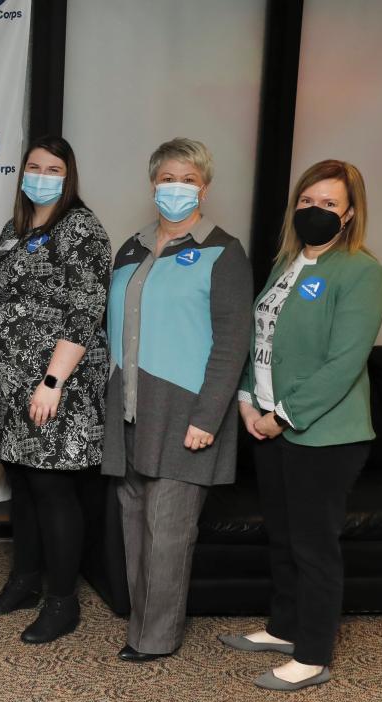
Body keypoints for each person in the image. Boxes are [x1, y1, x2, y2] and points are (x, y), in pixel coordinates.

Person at [220, 160, 382, 691]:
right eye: (308, 201)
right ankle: (285, 628)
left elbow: (345, 361)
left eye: (329, 204)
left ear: (351, 213)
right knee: (284, 537)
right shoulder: (285, 263)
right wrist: (248, 399)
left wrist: (281, 417)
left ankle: (312, 654)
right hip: (266, 422)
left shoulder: (361, 271)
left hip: (323, 433)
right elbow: (259, 340)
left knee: (315, 545)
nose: (316, 211)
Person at [103, 137, 252, 662]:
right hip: (129, 410)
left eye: (188, 179)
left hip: (186, 413)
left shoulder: (223, 251)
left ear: (204, 189)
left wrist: (208, 416)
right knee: (134, 525)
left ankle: (155, 639)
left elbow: (235, 340)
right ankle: (139, 626)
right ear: (153, 185)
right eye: (168, 177)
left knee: (167, 533)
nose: (177, 188)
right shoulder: (132, 246)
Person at [0, 136, 112, 644]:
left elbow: (85, 309)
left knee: (54, 490)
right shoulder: (15, 228)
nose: (40, 175)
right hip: (11, 382)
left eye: (52, 168)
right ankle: (25, 581)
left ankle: (62, 600)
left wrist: (53, 380)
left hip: (58, 382)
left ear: (68, 175)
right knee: (24, 486)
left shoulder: (80, 227)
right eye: (33, 166)